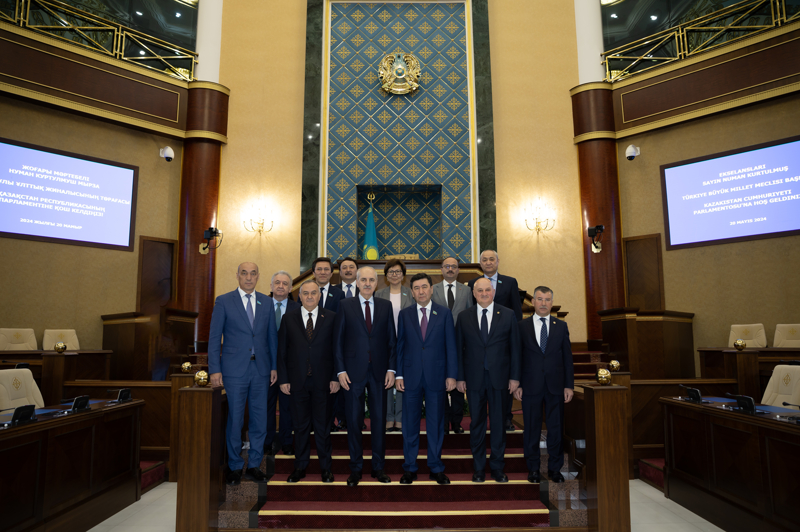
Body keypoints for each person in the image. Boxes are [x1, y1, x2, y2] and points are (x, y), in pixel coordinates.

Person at [208, 262, 277, 485]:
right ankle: (235, 465)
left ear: (258, 276)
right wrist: (214, 369)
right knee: (235, 419)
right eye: (244, 273)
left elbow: (271, 337)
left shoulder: (267, 302)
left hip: (261, 370)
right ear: (237, 275)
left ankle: (255, 464)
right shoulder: (224, 301)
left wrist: (274, 366)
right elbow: (214, 337)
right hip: (234, 370)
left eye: (253, 273)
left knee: (260, 419)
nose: (248, 277)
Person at [334, 266, 397, 486]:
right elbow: (338, 341)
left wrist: (391, 369)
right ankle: (356, 468)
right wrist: (340, 370)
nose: (368, 283)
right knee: (353, 421)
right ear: (357, 282)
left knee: (379, 421)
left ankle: (379, 467)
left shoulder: (385, 306)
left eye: (371, 280)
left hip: (380, 372)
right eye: (364, 280)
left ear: (377, 283)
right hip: (352, 373)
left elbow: (391, 341)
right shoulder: (345, 305)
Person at [455, 278, 521, 483]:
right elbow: (459, 350)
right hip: (474, 378)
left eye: (487, 290)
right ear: (474, 294)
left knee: (499, 424)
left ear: (493, 292)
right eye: (480, 290)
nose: (484, 293)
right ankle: (479, 468)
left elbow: (515, 349)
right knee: (477, 423)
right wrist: (460, 377)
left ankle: (498, 468)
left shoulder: (508, 314)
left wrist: (515, 377)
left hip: (500, 379)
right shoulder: (464, 316)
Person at [396, 273, 457, 485]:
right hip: (410, 377)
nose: (421, 291)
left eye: (424, 287)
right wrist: (399, 374)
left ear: (431, 289)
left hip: (437, 376)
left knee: (436, 424)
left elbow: (451, 346)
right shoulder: (404, 314)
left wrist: (451, 375)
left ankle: (436, 467)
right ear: (411, 292)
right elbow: (400, 346)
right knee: (409, 425)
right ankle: (410, 468)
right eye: (416, 288)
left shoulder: (444, 313)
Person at [277, 279, 339, 483]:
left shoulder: (331, 317)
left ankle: (326, 468)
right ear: (299, 296)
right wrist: (283, 379)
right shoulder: (288, 318)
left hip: (324, 382)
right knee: (300, 426)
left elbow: (337, 350)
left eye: (314, 293)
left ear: (319, 296)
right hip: (297, 382)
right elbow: (282, 351)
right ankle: (300, 467)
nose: (310, 296)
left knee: (323, 428)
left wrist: (335, 377)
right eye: (306, 293)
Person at [514, 286, 574, 484]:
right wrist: (517, 383)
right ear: (533, 302)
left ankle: (555, 469)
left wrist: (569, 385)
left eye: (547, 299)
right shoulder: (521, 326)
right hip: (530, 385)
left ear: (551, 302)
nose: (543, 303)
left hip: (556, 386)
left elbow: (567, 358)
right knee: (531, 428)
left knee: (555, 428)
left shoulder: (561, 326)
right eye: (539, 299)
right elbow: (517, 357)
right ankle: (533, 468)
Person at [468, 250, 523, 432]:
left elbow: (517, 312)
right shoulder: (472, 283)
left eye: (492, 259)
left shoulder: (509, 282)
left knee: (503, 393)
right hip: (480, 344)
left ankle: (506, 419)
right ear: (480, 263)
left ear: (498, 261)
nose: (488, 262)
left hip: (502, 345)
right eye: (484, 260)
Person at [431, 256, 471, 433]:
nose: (450, 269)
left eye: (453, 266)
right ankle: (444, 420)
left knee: (458, 383)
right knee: (441, 384)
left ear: (458, 270)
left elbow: (469, 315)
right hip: (438, 343)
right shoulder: (433, 289)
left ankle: (456, 421)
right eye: (446, 266)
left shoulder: (467, 290)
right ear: (441, 269)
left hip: (460, 343)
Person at [375, 259, 414, 433]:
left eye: (398, 271)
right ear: (386, 275)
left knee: (402, 378)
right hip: (385, 342)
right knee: (387, 379)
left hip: (407, 342)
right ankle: (389, 417)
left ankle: (400, 417)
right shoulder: (379, 294)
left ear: (403, 275)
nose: (395, 274)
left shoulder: (410, 293)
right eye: (391, 271)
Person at [265, 271, 299, 457]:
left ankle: (286, 442)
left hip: (289, 367)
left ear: (291, 288)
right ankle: (267, 442)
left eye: (285, 283)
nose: (280, 286)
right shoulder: (261, 306)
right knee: (266, 406)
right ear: (271, 286)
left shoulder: (298, 308)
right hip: (265, 365)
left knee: (287, 406)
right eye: (277, 282)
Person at [312, 256, 346, 431]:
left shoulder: (339, 294)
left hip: (330, 347)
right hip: (310, 349)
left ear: (332, 273)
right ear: (313, 272)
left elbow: (340, 321)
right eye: (319, 269)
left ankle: (331, 421)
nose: (323, 272)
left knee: (332, 388)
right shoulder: (306, 291)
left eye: (326, 269)